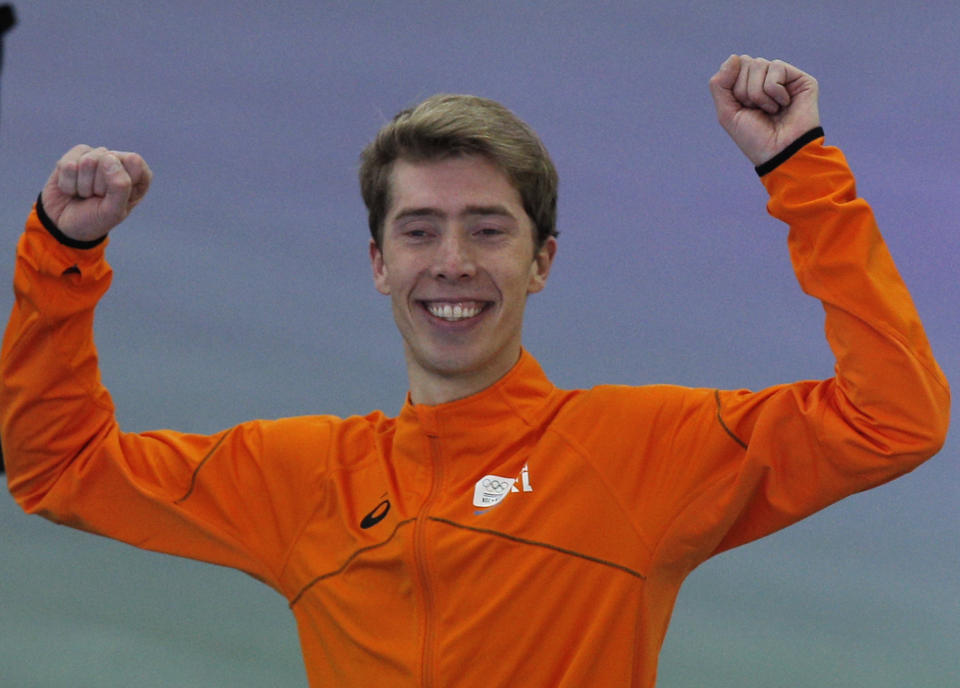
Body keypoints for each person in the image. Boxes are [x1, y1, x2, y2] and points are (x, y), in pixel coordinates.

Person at [0, 55, 949, 687]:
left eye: (488, 229)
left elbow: (894, 416)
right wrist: (61, 255)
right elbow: (58, 468)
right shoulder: (300, 480)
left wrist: (799, 167)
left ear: (542, 262)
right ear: (379, 265)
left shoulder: (641, 450)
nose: (451, 260)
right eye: (418, 230)